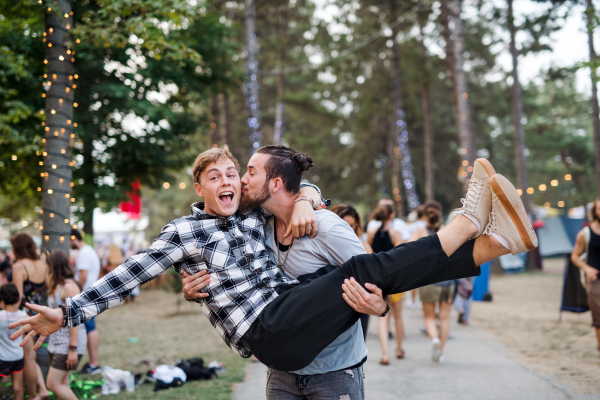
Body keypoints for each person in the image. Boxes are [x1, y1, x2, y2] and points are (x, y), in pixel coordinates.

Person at [12, 152, 537, 375]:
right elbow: (132, 273)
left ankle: (494, 244)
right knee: (362, 271)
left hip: (289, 310)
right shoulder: (184, 233)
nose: (226, 182)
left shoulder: (253, 216)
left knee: (360, 272)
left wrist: (307, 195)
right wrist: (70, 312)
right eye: (213, 177)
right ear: (198, 188)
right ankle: (467, 226)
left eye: (232, 174)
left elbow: (292, 182)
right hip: (266, 333)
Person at [410, 200, 455, 363]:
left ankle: (434, 338)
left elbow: (408, 250)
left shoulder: (419, 232)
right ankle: (440, 351)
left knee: (429, 317)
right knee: (444, 318)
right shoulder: (448, 230)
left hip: (428, 279)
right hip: (448, 280)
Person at [10, 233, 49, 400]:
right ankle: (42, 390)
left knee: (29, 359)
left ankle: (33, 396)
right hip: (40, 314)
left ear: (17, 247)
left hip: (25, 317)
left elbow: (18, 297)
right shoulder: (42, 263)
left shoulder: (19, 266)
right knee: (32, 357)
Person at [45, 250, 87, 400]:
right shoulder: (56, 285)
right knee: (63, 383)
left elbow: (75, 319)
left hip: (68, 343)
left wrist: (73, 349)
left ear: (54, 266)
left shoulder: (69, 287)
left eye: (48, 265)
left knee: (52, 384)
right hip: (56, 341)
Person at [367, 204, 405, 364]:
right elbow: (401, 256)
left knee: (382, 317)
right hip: (394, 280)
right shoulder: (395, 234)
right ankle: (399, 348)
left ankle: (385, 354)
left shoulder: (371, 233)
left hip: (378, 280)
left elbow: (368, 254)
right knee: (397, 316)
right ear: (391, 216)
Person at [330, 203, 373, 342]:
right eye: (345, 225)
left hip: (359, 302)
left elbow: (373, 273)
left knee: (360, 343)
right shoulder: (325, 245)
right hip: (334, 303)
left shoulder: (363, 245)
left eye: (353, 225)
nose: (350, 229)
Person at [70, 229, 102, 375]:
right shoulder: (89, 250)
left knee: (90, 328)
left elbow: (83, 277)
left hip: (85, 296)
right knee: (91, 327)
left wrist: (75, 293)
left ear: (74, 238)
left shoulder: (83, 253)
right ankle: (93, 362)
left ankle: (94, 363)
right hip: (91, 294)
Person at [571, 196, 600, 355]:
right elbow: (575, 256)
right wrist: (587, 268)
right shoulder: (585, 233)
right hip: (595, 279)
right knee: (599, 318)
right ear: (595, 211)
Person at [0, 283, 28, 400]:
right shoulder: (24, 315)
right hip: (18, 356)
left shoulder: (0, 316)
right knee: (18, 388)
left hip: (2, 358)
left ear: (2, 300)